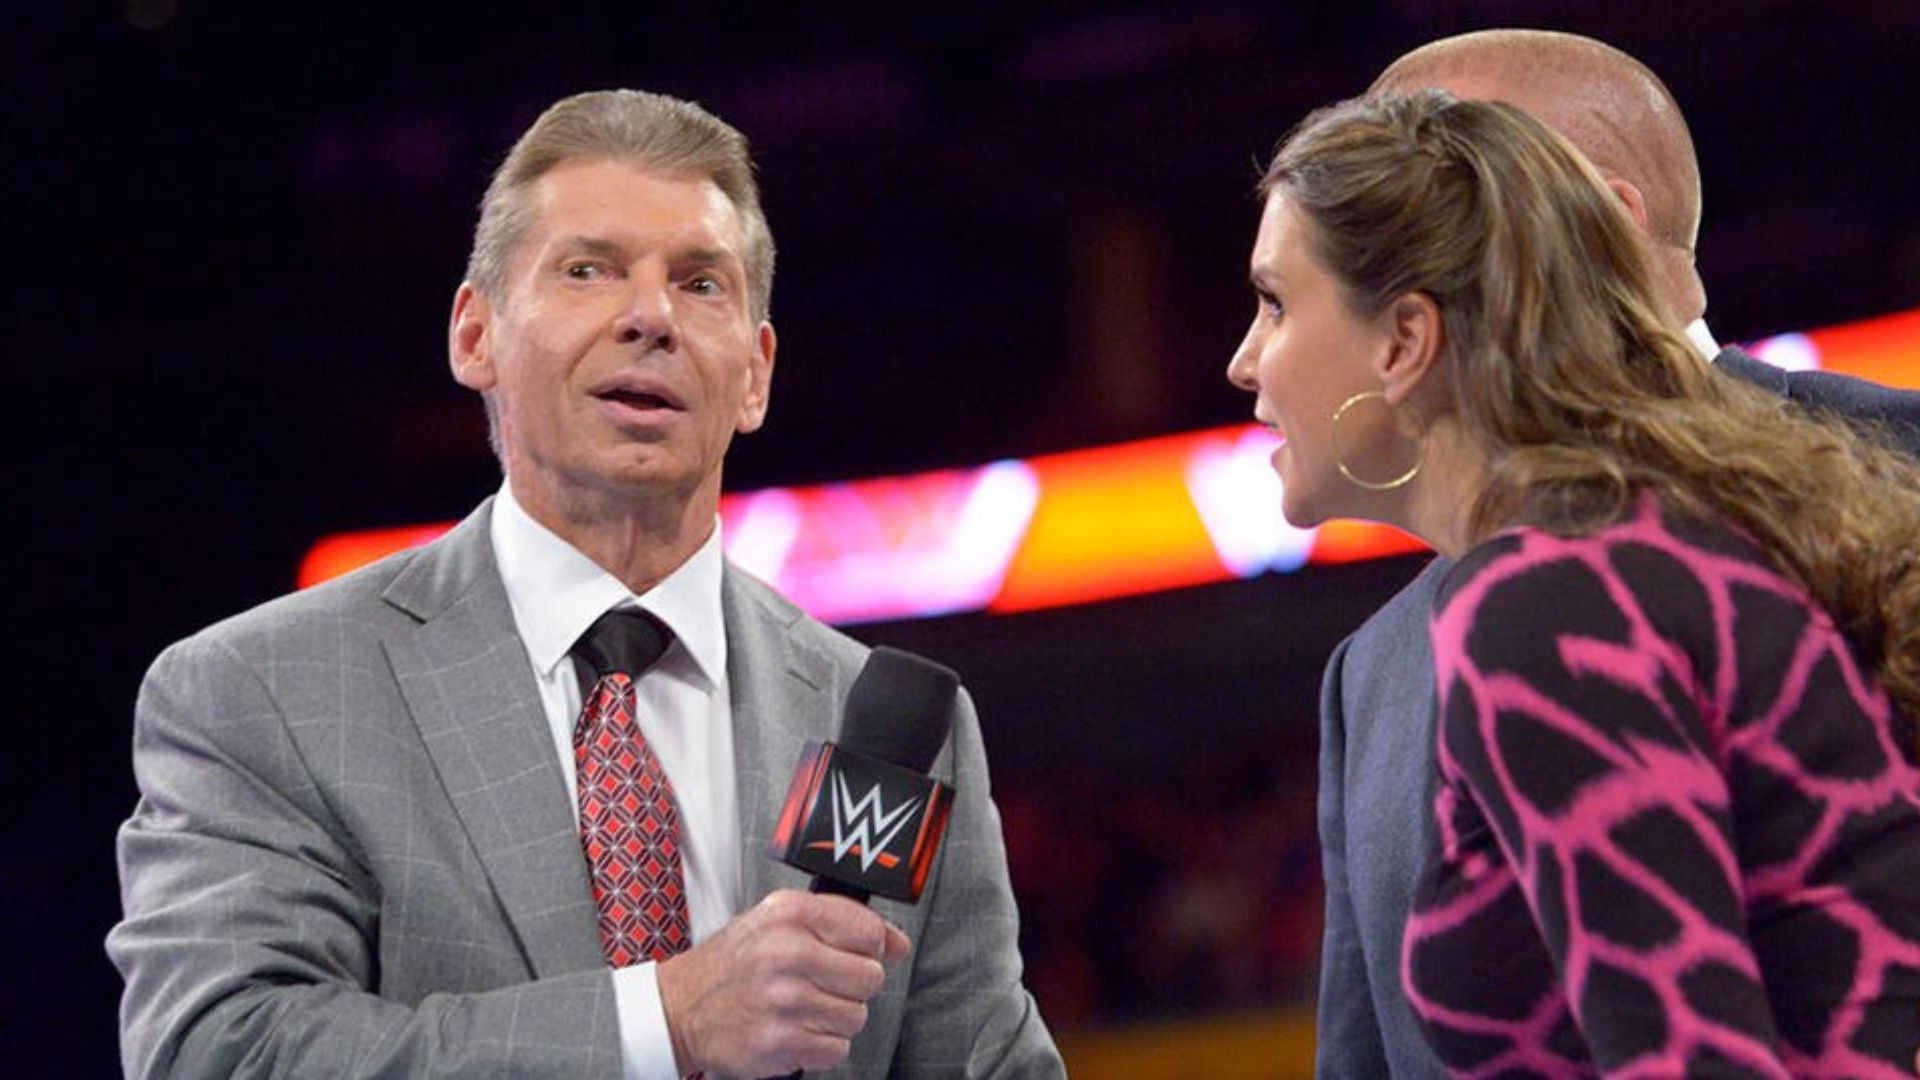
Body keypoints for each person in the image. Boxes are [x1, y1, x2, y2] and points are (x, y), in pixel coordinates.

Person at [109, 89, 1062, 1080]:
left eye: (700, 285)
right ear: (475, 335)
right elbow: (218, 1053)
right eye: (586, 270)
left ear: (755, 374)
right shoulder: (270, 693)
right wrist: (667, 1019)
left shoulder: (889, 725)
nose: (649, 316)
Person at [1229, 87, 1920, 1075]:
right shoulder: (1656, 543)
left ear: (1404, 341)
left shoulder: (1547, 600)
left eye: (1275, 303)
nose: (1243, 361)